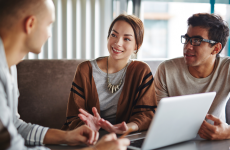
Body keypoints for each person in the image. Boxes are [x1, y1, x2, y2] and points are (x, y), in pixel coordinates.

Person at [0, 0, 129, 149]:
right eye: (49, 24)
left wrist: (67, 136)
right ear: (30, 24)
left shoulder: (9, 66)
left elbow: (14, 127)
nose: (49, 34)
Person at [62, 14, 157, 134]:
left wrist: (127, 128)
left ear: (137, 46)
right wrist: (89, 127)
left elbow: (147, 114)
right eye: (114, 35)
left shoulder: (141, 71)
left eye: (127, 39)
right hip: (87, 137)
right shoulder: (85, 69)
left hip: (124, 138)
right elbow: (74, 115)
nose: (117, 43)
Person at [154, 13, 230, 140]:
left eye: (196, 41)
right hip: (173, 141)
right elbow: (158, 118)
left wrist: (228, 132)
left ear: (216, 48)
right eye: (187, 39)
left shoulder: (227, 69)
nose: (188, 46)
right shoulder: (166, 70)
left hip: (218, 143)